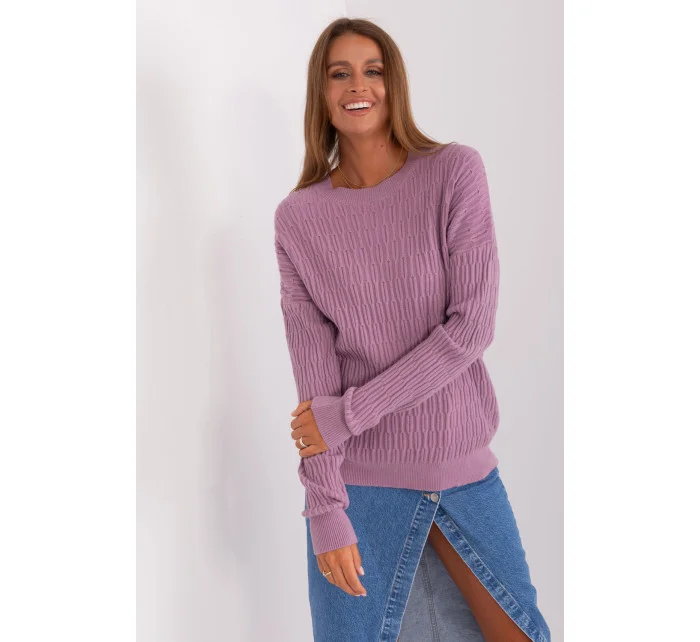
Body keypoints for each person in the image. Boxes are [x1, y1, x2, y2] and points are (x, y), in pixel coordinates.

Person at [273, 17, 551, 642]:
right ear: (320, 92)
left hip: (462, 473)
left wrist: (350, 414)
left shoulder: (454, 172)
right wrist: (325, 507)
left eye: (372, 70)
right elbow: (315, 385)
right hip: (359, 489)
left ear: (393, 83)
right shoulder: (299, 218)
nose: (357, 85)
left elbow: (470, 327)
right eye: (339, 73)